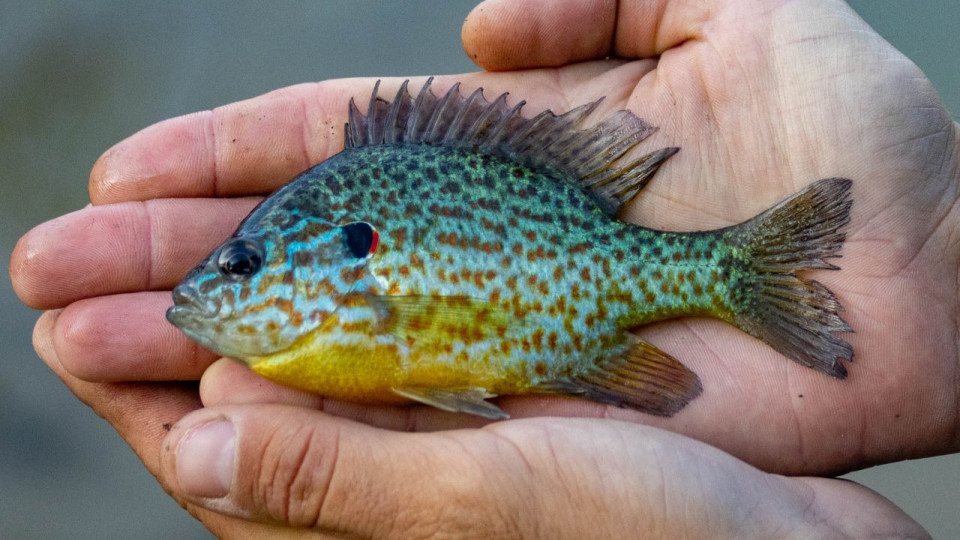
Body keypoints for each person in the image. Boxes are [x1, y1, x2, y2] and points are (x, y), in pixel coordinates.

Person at [11, 0, 957, 537]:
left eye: (246, 261)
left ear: (327, 268)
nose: (213, 288)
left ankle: (733, 269)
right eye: (239, 262)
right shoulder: (310, 337)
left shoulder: (340, 320)